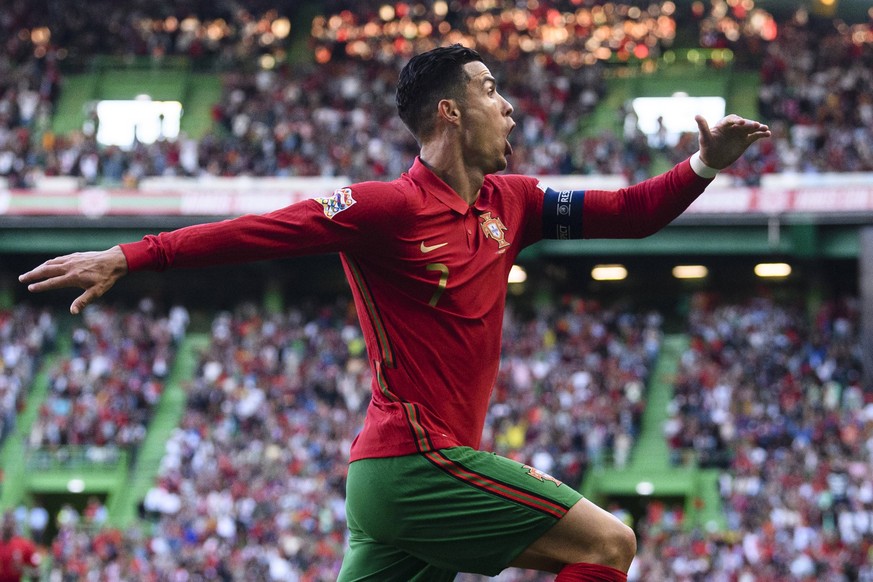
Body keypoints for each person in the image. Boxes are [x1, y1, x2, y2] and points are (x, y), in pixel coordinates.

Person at [20, 45, 770, 581]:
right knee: (606, 545)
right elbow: (255, 233)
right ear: (449, 110)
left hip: (400, 487)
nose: (507, 103)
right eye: (488, 88)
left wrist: (702, 166)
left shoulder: (515, 203)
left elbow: (630, 213)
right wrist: (132, 255)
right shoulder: (384, 207)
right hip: (414, 465)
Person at [0, 513, 40, 582]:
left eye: (10, 524)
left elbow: (37, 573)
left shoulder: (24, 545)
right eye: (6, 523)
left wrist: (23, 569)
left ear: (14, 526)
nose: (8, 527)